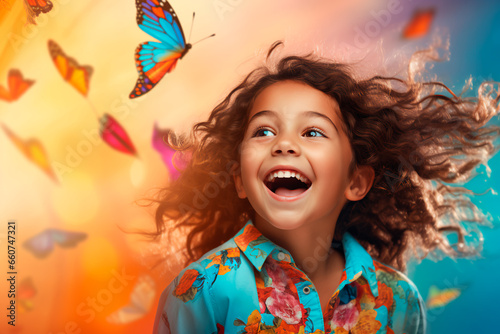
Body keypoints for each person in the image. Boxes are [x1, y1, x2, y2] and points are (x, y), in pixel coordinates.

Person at [150, 42, 500, 333]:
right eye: (263, 131)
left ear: (355, 181)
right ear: (240, 180)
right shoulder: (200, 292)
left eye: (313, 132)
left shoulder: (399, 300)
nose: (283, 144)